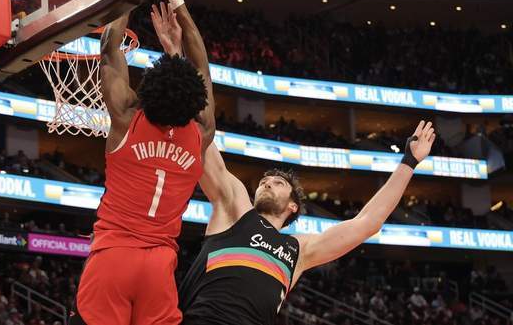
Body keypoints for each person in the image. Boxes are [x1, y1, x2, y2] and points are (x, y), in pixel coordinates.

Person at [71, 0, 216, 325]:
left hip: (113, 258)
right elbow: (202, 64)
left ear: (146, 89)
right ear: (195, 101)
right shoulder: (201, 133)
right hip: (158, 268)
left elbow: (109, 49)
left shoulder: (127, 118)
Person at [177, 121, 435, 325]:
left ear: (293, 206)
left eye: (278, 183)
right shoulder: (235, 211)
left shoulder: (299, 250)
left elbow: (367, 222)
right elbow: (205, 144)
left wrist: (409, 161)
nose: (267, 183)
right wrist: (187, 86)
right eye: (264, 182)